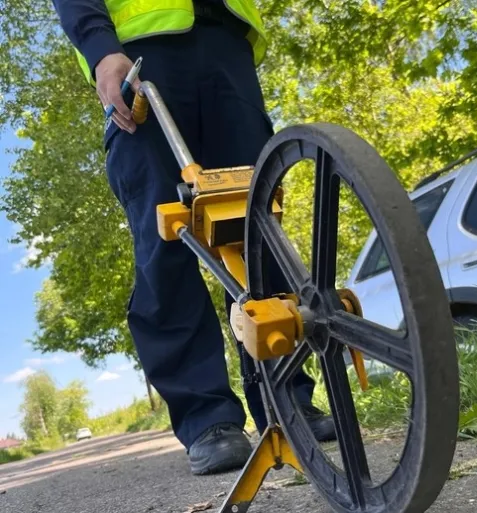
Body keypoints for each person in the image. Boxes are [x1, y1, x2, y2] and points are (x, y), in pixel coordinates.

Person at [50, 0, 336, 476]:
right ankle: (209, 420)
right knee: (166, 237)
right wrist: (101, 49)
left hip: (227, 46)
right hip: (140, 53)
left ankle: (286, 395)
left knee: (257, 230)